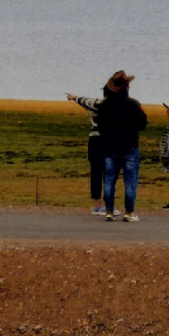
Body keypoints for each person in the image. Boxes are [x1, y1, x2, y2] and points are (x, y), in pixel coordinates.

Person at [96, 70, 147, 222]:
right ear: (126, 87)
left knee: (109, 180)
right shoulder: (133, 104)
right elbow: (142, 124)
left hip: (110, 147)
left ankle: (109, 211)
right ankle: (129, 212)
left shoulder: (104, 105)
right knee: (130, 181)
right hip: (130, 146)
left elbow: (100, 126)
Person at [66, 87, 107, 214]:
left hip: (94, 140)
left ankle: (96, 205)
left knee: (96, 171)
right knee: (109, 172)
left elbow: (83, 101)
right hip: (108, 140)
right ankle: (107, 205)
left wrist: (73, 97)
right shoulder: (117, 106)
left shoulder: (96, 104)